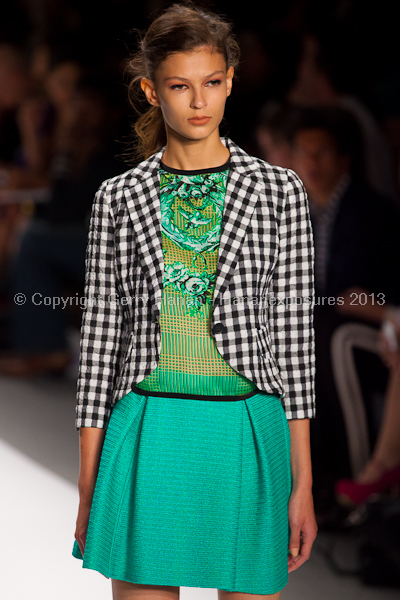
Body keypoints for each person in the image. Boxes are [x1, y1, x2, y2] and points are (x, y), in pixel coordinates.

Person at [71, 4, 318, 599]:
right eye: (180, 86)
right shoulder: (118, 198)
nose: (198, 102)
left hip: (246, 429)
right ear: (151, 91)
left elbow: (293, 342)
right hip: (149, 428)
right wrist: (89, 485)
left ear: (231, 81)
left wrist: (303, 481)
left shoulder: (279, 193)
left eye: (211, 83)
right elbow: (100, 344)